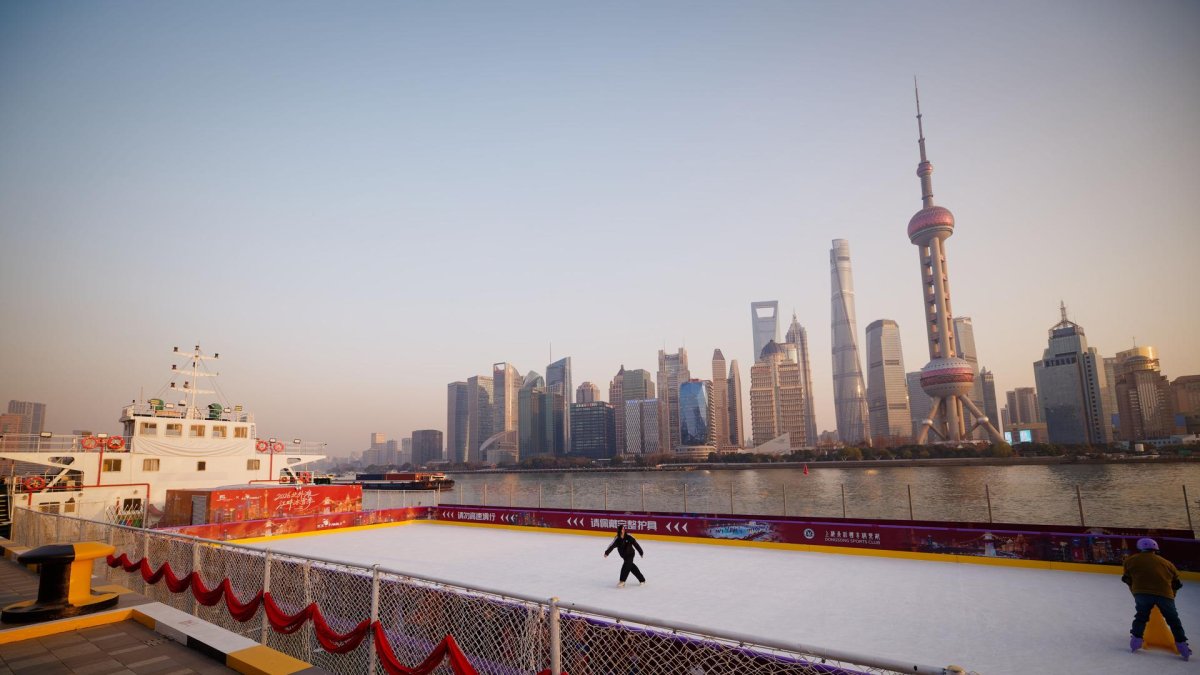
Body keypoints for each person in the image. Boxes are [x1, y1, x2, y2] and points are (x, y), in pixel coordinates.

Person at [1123, 537, 1189, 660]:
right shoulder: (1167, 563)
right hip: (1165, 594)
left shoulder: (1130, 561)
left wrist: (1136, 593)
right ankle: (1182, 645)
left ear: (1140, 547)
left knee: (1141, 617)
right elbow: (1176, 584)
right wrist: (1171, 596)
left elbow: (1127, 579)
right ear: (1155, 549)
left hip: (1141, 593)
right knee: (1173, 620)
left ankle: (1136, 640)